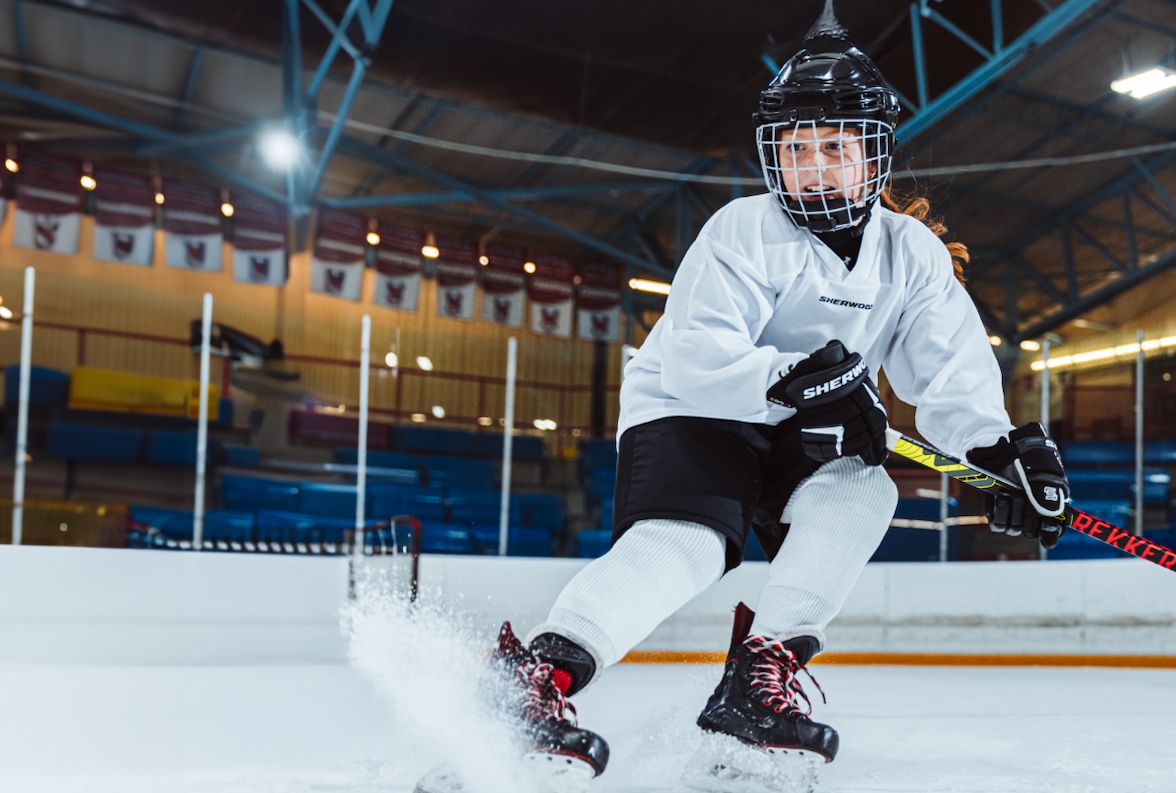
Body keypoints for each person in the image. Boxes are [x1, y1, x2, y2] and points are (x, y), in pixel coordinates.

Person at [417, 4, 1072, 793]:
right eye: (796, 149)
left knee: (863, 488)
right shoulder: (742, 230)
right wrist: (809, 382)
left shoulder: (912, 257)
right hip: (695, 407)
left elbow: (952, 375)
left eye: (835, 148)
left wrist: (1000, 452)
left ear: (874, 154)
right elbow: (699, 357)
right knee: (689, 544)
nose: (814, 168)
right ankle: (532, 680)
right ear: (773, 156)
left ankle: (757, 681)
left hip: (806, 426)